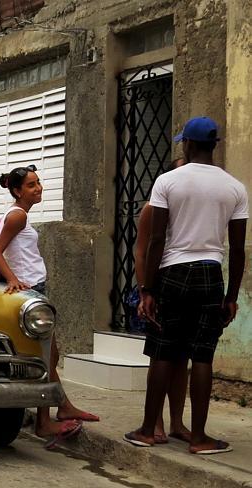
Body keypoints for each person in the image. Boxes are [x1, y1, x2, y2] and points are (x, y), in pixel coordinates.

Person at [125, 117, 248, 455]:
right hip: (211, 273)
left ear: (189, 145)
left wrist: (147, 289)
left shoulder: (168, 181)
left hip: (173, 273)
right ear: (214, 145)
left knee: (164, 349)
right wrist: (232, 296)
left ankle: (148, 430)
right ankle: (199, 437)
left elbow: (157, 239)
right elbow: (237, 249)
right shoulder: (235, 187)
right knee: (203, 354)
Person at [0, 164, 99, 446]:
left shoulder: (19, 215)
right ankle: (44, 420)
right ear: (17, 191)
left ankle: (61, 406)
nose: (37, 188)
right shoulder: (17, 217)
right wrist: (14, 279)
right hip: (30, 291)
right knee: (44, 355)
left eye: (38, 183)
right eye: (30, 185)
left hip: (34, 288)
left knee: (50, 354)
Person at [134, 157, 191, 444]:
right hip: (158, 289)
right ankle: (154, 422)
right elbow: (141, 250)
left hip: (181, 287)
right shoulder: (152, 208)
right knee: (160, 358)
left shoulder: (191, 210)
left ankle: (177, 423)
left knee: (182, 360)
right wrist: (146, 289)